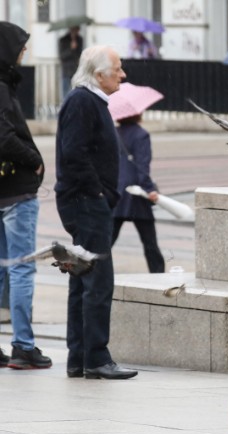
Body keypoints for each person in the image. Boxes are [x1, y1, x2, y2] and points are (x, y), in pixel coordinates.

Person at [55, 45, 138, 380]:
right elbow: (73, 153)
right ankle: (97, 358)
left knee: (82, 279)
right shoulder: (82, 101)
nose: (122, 74)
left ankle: (79, 359)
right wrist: (100, 192)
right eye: (117, 69)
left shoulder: (89, 101)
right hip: (86, 203)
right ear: (99, 73)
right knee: (99, 280)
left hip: (86, 200)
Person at [0, 22, 51, 370]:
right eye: (20, 46)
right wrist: (34, 161)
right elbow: (4, 138)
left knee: (2, 271)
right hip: (16, 191)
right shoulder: (2, 88)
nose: (24, 53)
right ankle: (24, 345)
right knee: (20, 269)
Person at [112, 114, 165, 273]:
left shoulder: (113, 132)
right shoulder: (141, 135)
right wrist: (150, 189)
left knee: (106, 243)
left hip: (117, 191)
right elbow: (142, 167)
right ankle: (159, 277)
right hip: (137, 193)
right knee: (150, 243)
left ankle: (92, 275)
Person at [58, 26, 82, 100]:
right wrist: (71, 49)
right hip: (66, 69)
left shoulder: (79, 39)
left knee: (76, 90)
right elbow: (62, 56)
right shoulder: (63, 40)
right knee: (65, 92)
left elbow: (79, 53)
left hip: (76, 69)